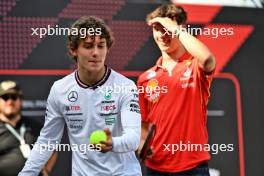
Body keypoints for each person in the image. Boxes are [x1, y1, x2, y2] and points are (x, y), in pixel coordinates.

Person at [19, 16, 142, 176]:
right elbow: (47, 141)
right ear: (73, 49)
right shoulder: (60, 89)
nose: (96, 53)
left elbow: (133, 138)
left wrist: (112, 143)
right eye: (88, 46)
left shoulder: (125, 87)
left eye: (101, 46)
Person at [137, 4, 216, 176]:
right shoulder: (145, 78)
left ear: (180, 29)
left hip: (193, 167)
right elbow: (144, 124)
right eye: (157, 29)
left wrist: (175, 29)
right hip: (155, 168)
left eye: (167, 29)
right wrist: (141, 145)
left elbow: (209, 60)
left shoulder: (195, 65)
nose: (162, 35)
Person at [0, 80, 57, 176]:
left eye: (14, 97)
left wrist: (46, 170)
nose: (10, 102)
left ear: (21, 100)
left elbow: (52, 150)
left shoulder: (36, 127)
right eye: (5, 98)